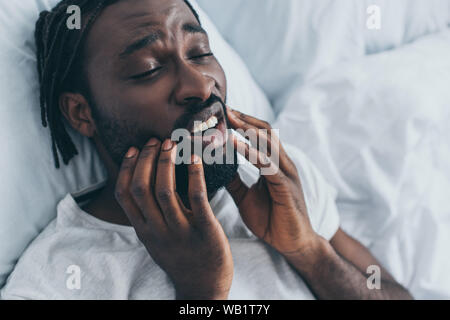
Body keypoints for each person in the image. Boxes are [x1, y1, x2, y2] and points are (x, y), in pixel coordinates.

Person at [1, 0, 412, 300]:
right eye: (149, 68)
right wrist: (201, 294)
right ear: (81, 112)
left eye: (200, 53)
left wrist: (311, 252)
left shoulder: (273, 182)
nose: (201, 85)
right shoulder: (57, 277)